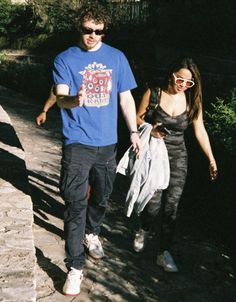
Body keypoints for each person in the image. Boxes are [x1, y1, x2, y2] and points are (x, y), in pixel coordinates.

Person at [52, 2, 141, 296]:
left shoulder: (117, 58)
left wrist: (133, 132)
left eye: (98, 31)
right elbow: (61, 97)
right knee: (74, 203)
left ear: (104, 31)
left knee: (101, 198)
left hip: (107, 145)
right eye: (87, 30)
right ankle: (75, 267)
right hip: (77, 142)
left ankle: (92, 233)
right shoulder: (65, 59)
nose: (92, 35)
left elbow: (126, 98)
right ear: (80, 28)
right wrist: (74, 101)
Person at [133, 57, 218, 272]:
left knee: (172, 206)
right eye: (180, 80)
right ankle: (143, 228)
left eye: (189, 83)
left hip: (178, 157)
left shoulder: (191, 101)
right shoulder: (153, 93)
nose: (183, 85)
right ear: (171, 74)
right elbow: (135, 118)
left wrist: (211, 158)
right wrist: (150, 129)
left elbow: (200, 130)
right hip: (154, 154)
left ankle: (164, 252)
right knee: (152, 203)